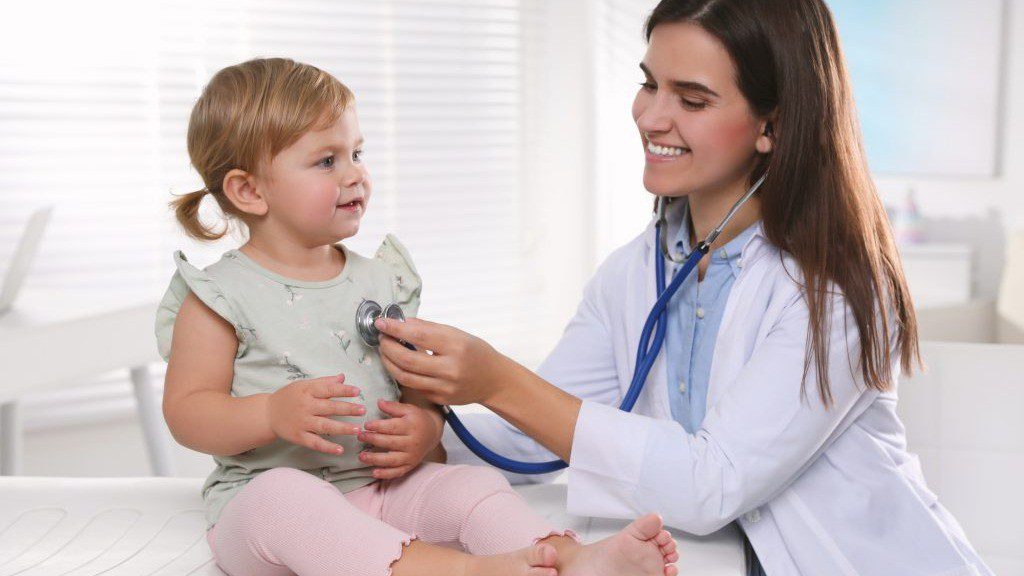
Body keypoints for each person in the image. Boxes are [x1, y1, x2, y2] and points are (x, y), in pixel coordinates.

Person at [371, 2, 993, 575]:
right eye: (649, 84)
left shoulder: (834, 289)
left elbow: (710, 484)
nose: (649, 116)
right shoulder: (637, 272)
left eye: (691, 99)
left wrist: (497, 377)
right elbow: (541, 435)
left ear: (770, 125)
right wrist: (430, 437)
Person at [155, 57, 679, 576]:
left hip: (378, 491)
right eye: (326, 162)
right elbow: (187, 413)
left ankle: (572, 559)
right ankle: (465, 572)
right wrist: (268, 415)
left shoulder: (382, 281)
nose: (355, 174)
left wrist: (425, 427)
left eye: (356, 152)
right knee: (284, 496)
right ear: (249, 190)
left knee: (469, 487)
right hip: (264, 514)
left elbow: (415, 387)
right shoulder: (218, 296)